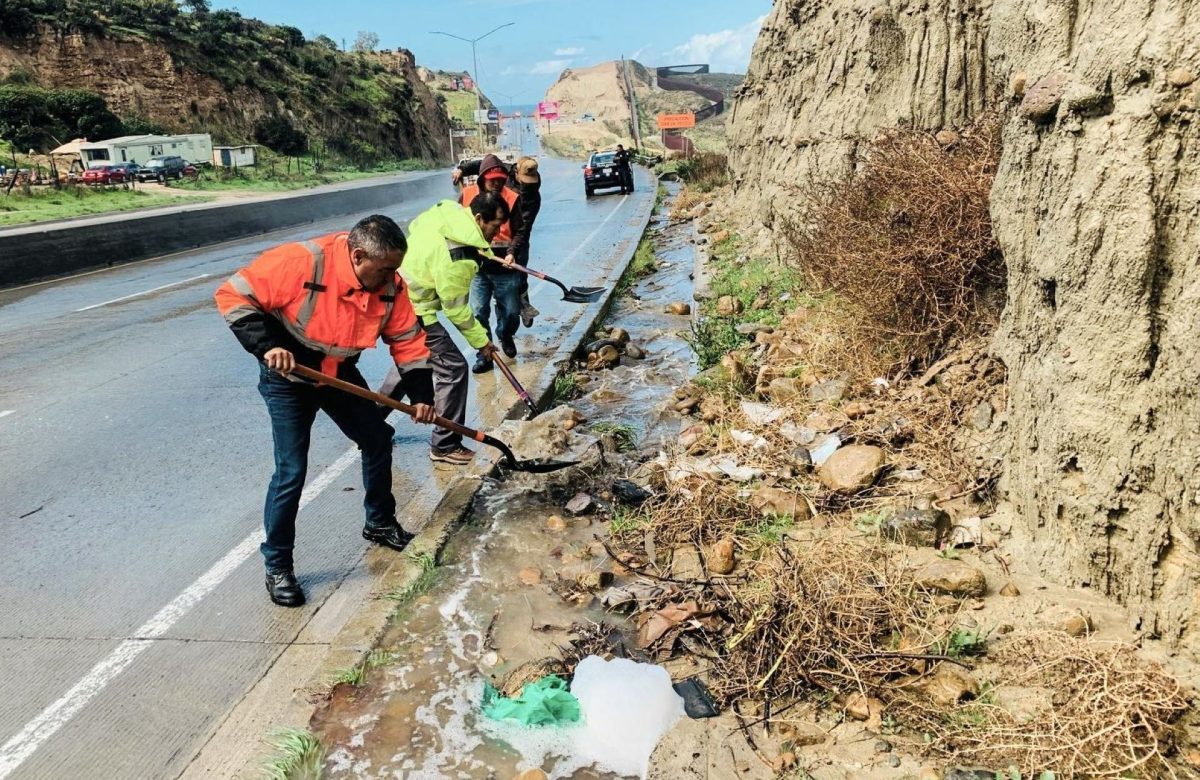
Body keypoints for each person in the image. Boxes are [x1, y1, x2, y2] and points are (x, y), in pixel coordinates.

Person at [214, 215, 436, 608]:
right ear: (357, 255)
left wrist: (422, 397)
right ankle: (278, 565)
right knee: (292, 471)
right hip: (289, 378)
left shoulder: (391, 285)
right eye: (384, 269)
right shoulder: (301, 262)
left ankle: (380, 522)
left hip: (337, 375)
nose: (390, 279)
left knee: (378, 438)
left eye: (394, 270)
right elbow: (233, 296)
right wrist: (268, 347)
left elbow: (407, 340)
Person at [377, 192, 511, 465]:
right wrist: (482, 343)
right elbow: (456, 310)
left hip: (395, 295)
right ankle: (445, 444)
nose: (498, 233)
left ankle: (367, 422)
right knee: (453, 368)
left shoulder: (447, 213)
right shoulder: (459, 259)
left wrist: (482, 250)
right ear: (478, 218)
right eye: (495, 226)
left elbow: (416, 228)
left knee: (412, 362)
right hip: (414, 309)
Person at [458, 154, 525, 373]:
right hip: (478, 267)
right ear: (482, 179)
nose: (496, 184)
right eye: (491, 180)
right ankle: (484, 356)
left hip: (505, 265)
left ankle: (505, 333)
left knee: (512, 313)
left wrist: (512, 253)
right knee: (478, 312)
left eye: (500, 180)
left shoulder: (512, 198)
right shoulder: (467, 196)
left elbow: (520, 230)